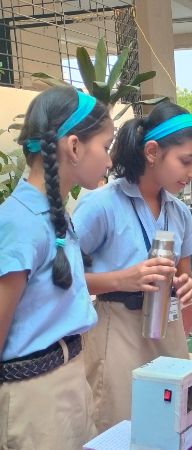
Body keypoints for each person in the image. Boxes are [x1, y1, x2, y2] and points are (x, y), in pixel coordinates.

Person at [72, 101, 192, 432]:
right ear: (152, 152)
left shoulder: (178, 212)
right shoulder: (102, 204)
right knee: (121, 425)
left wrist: (187, 286)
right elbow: (62, 279)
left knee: (174, 423)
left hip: (168, 328)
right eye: (186, 161)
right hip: (119, 330)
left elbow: (185, 274)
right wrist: (123, 279)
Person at [0, 86, 113, 449]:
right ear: (75, 147)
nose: (109, 161)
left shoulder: (53, 214)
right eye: (106, 146)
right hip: (34, 399)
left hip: (68, 379)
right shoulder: (20, 224)